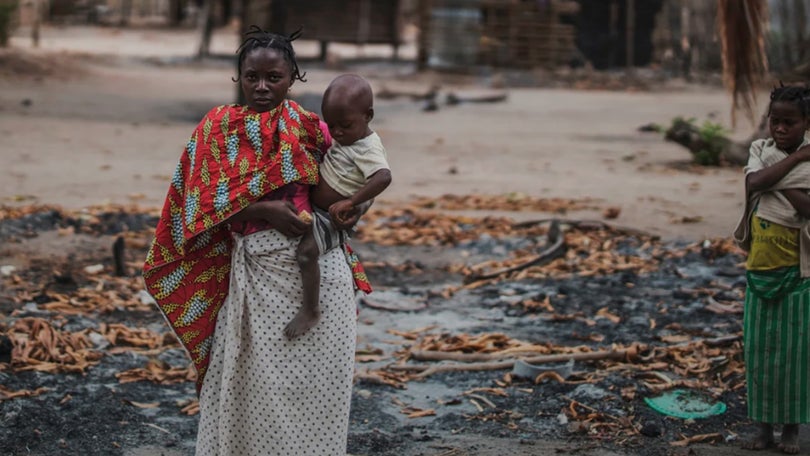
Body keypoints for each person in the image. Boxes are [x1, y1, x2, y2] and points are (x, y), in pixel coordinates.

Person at [142, 27, 371, 455]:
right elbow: (193, 210)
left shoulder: (313, 129)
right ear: (239, 77)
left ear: (293, 78)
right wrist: (263, 211)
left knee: (319, 391)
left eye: (274, 77)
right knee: (248, 391)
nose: (262, 87)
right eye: (252, 77)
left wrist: (352, 209)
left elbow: (354, 179)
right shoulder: (216, 129)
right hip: (254, 279)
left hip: (319, 275)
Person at [284, 74, 392, 339]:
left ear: (368, 115)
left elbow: (383, 177)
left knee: (307, 253)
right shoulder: (345, 139)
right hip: (317, 208)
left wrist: (352, 202)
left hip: (329, 218)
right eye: (332, 126)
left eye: (345, 125)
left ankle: (311, 309)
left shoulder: (368, 148)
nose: (338, 132)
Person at [733, 84, 810, 455]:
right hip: (759, 271)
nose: (779, 129)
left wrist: (773, 179)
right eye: (774, 122)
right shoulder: (759, 151)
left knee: (793, 357)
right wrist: (793, 164)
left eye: (789, 123)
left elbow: (807, 208)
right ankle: (764, 430)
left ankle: (791, 432)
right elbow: (752, 183)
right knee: (760, 354)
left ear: (806, 123)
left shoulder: (773, 159)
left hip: (797, 275)